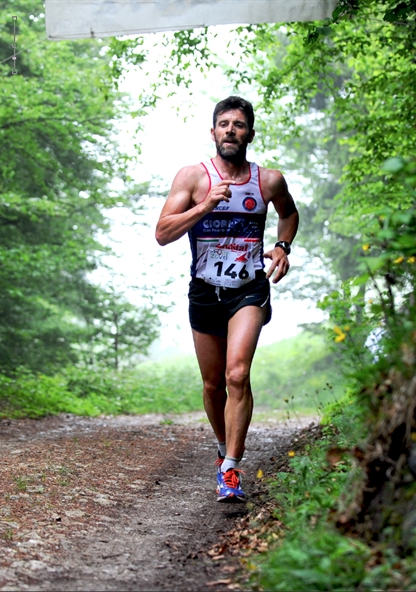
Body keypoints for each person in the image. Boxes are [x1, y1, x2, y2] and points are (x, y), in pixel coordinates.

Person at [155, 96, 299, 503]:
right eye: (224, 124)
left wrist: (282, 246)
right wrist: (205, 205)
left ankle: (231, 468)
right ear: (213, 132)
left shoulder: (268, 181)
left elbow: (289, 213)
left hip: (248, 288)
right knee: (213, 383)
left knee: (237, 374)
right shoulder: (193, 177)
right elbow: (163, 233)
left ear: (250, 134)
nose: (231, 130)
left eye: (239, 124)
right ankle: (223, 447)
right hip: (204, 290)